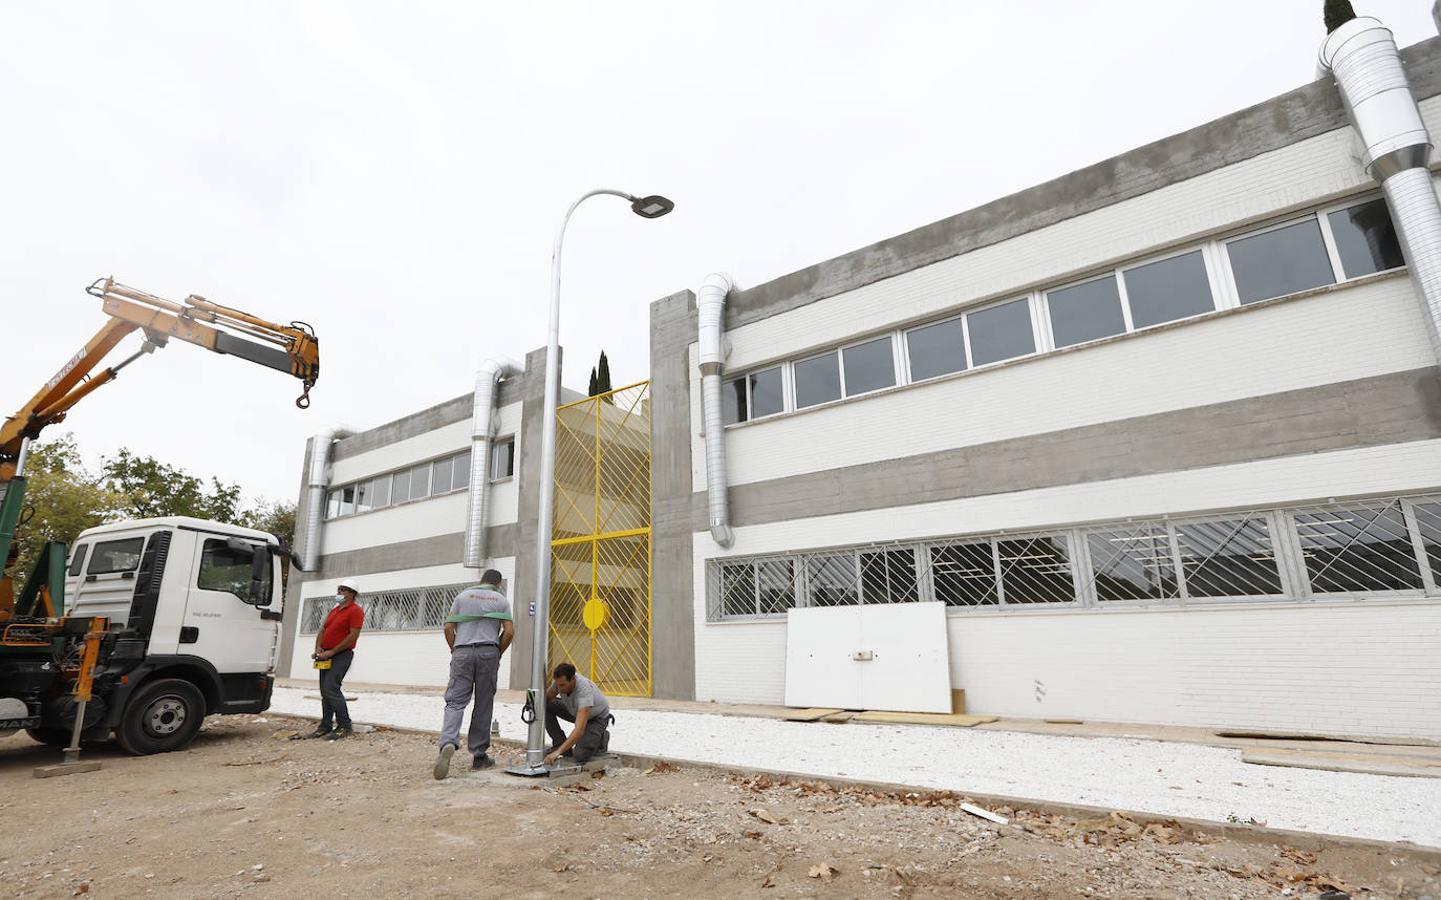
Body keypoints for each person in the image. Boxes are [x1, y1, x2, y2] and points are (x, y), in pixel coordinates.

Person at [433, 570, 514, 779]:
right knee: (484, 703)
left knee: (455, 701)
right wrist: (498, 652)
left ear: (481, 580)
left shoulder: (463, 597)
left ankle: (448, 742)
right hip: (488, 650)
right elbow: (509, 631)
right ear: (498, 584)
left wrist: (455, 649)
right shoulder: (501, 600)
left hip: (462, 651)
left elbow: (449, 627)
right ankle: (479, 756)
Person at [299, 578, 364, 741]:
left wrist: (333, 651)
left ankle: (345, 726)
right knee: (325, 691)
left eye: (343, 590)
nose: (339, 593)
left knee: (331, 688)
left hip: (341, 655)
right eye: (339, 589)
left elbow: (353, 636)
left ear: (352, 594)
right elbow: (323, 629)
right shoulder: (335, 610)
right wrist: (318, 648)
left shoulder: (355, 611)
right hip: (326, 654)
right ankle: (325, 726)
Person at [543, 662, 613, 767]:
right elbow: (547, 699)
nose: (560, 689)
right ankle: (559, 745)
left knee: (580, 755)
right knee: (545, 705)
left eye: (563, 685)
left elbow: (579, 730)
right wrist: (533, 702)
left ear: (573, 679)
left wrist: (557, 753)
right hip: (576, 711)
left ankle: (601, 738)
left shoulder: (584, 691)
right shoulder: (559, 683)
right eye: (558, 685)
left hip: (596, 718)